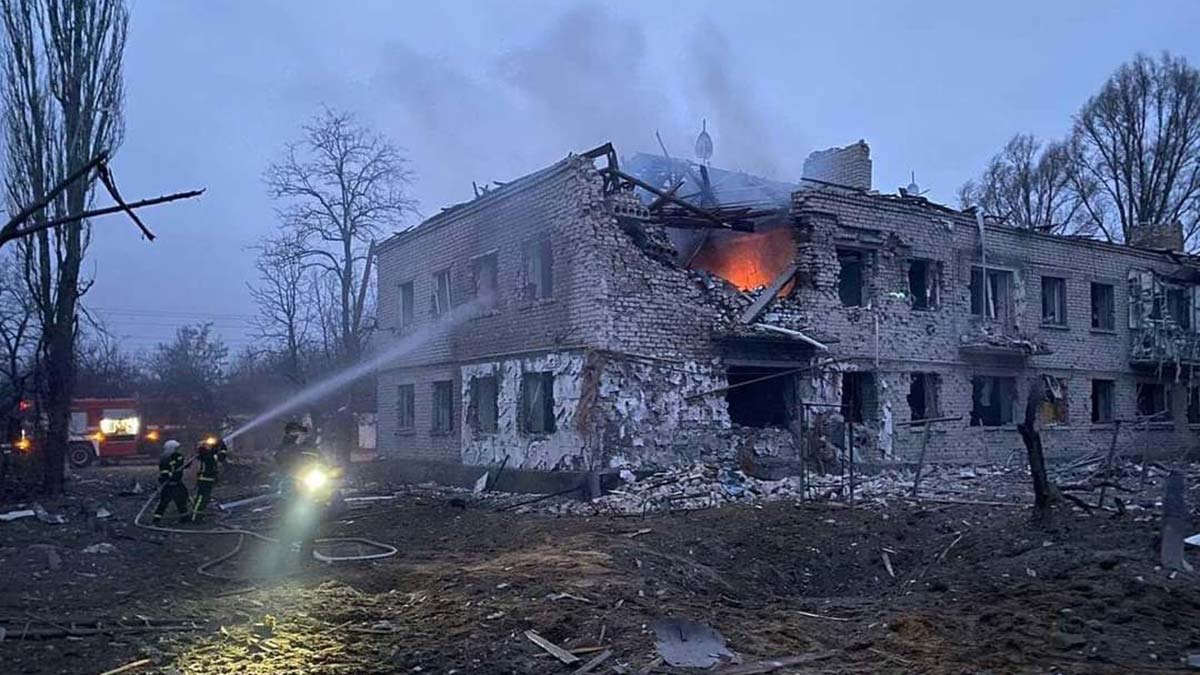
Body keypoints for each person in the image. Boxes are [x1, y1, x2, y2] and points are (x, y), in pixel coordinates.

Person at [188, 436, 228, 522]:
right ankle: (195, 517)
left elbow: (217, 454)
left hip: (207, 479)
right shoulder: (207, 457)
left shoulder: (206, 455)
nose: (209, 445)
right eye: (207, 445)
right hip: (204, 480)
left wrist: (218, 445)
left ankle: (198, 516)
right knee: (201, 499)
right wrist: (223, 446)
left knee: (204, 498)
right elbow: (221, 456)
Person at [153, 440, 189, 523]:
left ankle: (185, 518)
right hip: (169, 484)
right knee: (164, 502)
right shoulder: (165, 458)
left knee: (182, 499)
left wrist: (186, 463)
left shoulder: (178, 456)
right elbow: (164, 471)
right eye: (176, 449)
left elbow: (182, 463)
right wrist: (167, 477)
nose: (178, 450)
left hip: (178, 482)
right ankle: (156, 519)